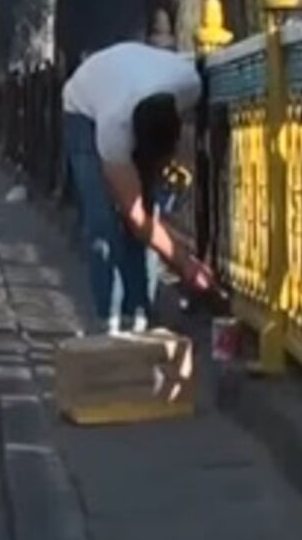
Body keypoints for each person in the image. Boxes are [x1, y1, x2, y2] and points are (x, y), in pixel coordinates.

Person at [61, 41, 217, 336]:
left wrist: (164, 174)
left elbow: (148, 212)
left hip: (124, 77)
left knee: (149, 206)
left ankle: (139, 311)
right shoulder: (114, 128)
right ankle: (108, 319)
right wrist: (186, 263)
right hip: (84, 110)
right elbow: (136, 217)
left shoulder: (189, 86)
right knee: (104, 224)